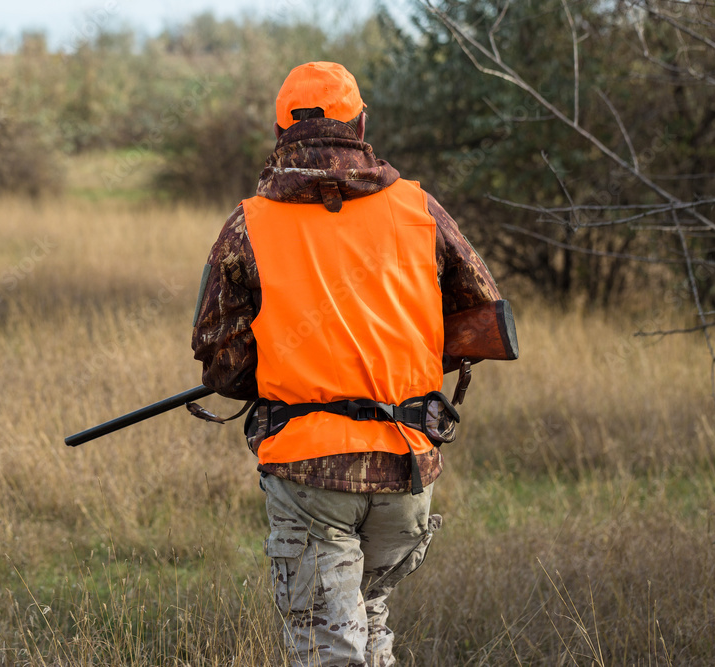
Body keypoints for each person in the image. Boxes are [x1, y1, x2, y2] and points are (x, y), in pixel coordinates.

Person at [191, 62, 502, 667]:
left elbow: (220, 364)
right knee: (366, 619)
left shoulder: (248, 224)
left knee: (328, 650)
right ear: (361, 123)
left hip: (310, 474)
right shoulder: (420, 209)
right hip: (407, 471)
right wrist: (403, 352)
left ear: (281, 131)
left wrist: (285, 365)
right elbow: (484, 312)